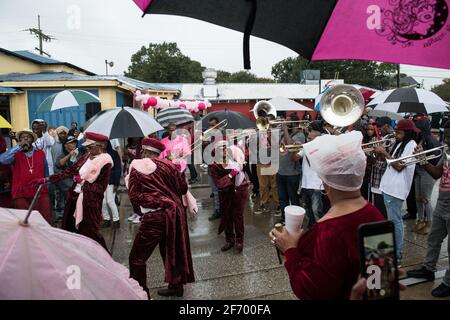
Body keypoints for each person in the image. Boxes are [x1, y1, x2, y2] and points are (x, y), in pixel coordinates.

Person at [270, 131, 384, 299]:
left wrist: (290, 250)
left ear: (326, 182)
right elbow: (379, 285)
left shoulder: (329, 230)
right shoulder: (375, 214)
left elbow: (309, 290)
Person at [127, 137, 195, 298]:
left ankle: (141, 294)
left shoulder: (138, 167)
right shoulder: (171, 165)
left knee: (137, 258)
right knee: (171, 251)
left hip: (155, 217)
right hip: (174, 215)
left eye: (142, 151)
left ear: (145, 151)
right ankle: (176, 286)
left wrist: (159, 200)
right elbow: (183, 188)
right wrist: (177, 170)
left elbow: (135, 196)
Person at [33, 132, 113, 251]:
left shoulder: (105, 162)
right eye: (87, 145)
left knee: (91, 233)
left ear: (101, 145)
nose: (88, 148)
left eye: (91, 145)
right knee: (70, 229)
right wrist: (48, 179)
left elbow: (100, 188)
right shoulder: (86, 156)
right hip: (74, 197)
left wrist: (83, 183)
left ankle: (105, 259)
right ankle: (76, 256)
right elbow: (69, 171)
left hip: (89, 202)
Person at [406, 120, 450, 298]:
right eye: (445, 135)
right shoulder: (446, 152)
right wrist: (422, 159)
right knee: (434, 238)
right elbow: (436, 173)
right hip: (443, 201)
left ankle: (448, 282)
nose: (446, 139)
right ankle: (428, 269)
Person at [375, 119, 419, 263]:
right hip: (388, 186)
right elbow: (390, 162)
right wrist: (380, 152)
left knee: (395, 222)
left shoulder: (411, 145)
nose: (396, 135)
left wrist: (385, 152)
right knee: (391, 222)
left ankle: (397, 254)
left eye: (399, 132)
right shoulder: (401, 143)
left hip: (396, 189)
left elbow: (400, 166)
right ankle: (391, 250)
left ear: (407, 133)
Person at [0, 129, 52, 223]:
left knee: (43, 219)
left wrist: (45, 187)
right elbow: (2, 160)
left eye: (28, 137)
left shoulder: (40, 153)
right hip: (20, 192)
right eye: (23, 138)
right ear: (19, 140)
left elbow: (46, 173)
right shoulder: (15, 153)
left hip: (39, 192)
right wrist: (19, 146)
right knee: (25, 221)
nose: (25, 139)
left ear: (32, 140)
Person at [209, 140, 249, 253]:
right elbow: (219, 183)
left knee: (238, 216)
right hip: (225, 193)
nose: (225, 150)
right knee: (227, 215)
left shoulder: (235, 158)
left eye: (226, 147)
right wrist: (231, 174)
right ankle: (229, 240)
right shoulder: (213, 165)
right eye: (222, 148)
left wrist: (240, 163)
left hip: (239, 190)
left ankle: (239, 241)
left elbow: (245, 155)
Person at [292, 121, 326, 228]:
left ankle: (321, 233)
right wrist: (295, 149)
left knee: (317, 212)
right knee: (309, 211)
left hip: (317, 185)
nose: (308, 134)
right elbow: (294, 158)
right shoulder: (306, 146)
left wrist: (309, 146)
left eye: (310, 131)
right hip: (305, 184)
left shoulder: (323, 146)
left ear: (317, 134)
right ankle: (312, 231)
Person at [412, 116, 440, 234]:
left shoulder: (430, 140)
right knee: (418, 198)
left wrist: (422, 156)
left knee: (426, 199)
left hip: (427, 172)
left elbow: (436, 158)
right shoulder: (420, 138)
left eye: (416, 127)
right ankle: (420, 220)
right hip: (419, 170)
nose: (415, 129)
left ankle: (429, 222)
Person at [276, 116, 305, 222]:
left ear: (293, 123)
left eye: (287, 120)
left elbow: (291, 145)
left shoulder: (300, 135)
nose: (285, 122)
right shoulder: (282, 134)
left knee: (293, 199)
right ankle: (285, 219)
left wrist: (285, 130)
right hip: (280, 172)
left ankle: (296, 220)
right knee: (282, 199)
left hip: (292, 173)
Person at [53, 136, 83, 221]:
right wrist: (70, 155)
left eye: (74, 142)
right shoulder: (61, 154)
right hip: (64, 182)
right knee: (63, 200)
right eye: (71, 143)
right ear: (65, 145)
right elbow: (59, 163)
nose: (74, 144)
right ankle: (62, 215)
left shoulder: (78, 153)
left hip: (75, 181)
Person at [370, 116, 394, 218]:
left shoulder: (392, 139)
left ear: (387, 126)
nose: (378, 129)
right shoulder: (382, 138)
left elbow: (391, 160)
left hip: (383, 180)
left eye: (380, 127)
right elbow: (375, 159)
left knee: (382, 211)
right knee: (377, 208)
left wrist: (381, 152)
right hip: (376, 178)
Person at [101, 140, 122, 229]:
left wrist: (116, 183)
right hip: (102, 182)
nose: (103, 145)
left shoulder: (113, 153)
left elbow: (118, 169)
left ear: (108, 144)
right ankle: (106, 220)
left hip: (111, 181)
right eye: (101, 143)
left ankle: (116, 220)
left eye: (105, 143)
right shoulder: (100, 154)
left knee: (110, 201)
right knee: (103, 202)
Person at [204, 117, 221, 221]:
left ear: (218, 124)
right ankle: (218, 210)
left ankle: (220, 210)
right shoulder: (209, 135)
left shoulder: (222, 136)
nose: (211, 127)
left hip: (220, 167)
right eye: (210, 125)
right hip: (211, 167)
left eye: (213, 125)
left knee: (220, 190)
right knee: (215, 191)